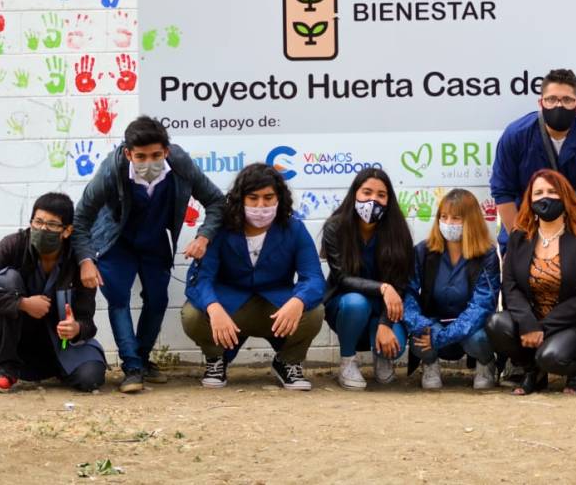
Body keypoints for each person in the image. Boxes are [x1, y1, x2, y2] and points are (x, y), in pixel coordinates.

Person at [72, 116, 225, 393]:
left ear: (166, 151)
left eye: (156, 155)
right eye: (140, 156)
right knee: (118, 300)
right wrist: (86, 260)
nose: (148, 163)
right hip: (116, 242)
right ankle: (132, 368)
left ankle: (141, 359)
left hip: (154, 240)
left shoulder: (181, 164)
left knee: (158, 299)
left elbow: (216, 201)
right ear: (128, 153)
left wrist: (204, 237)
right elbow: (81, 217)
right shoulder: (111, 170)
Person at [181, 163, 326, 390]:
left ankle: (288, 362)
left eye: (269, 198)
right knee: (192, 314)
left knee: (314, 311)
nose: (261, 205)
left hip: (276, 307)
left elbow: (314, 278)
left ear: (279, 198)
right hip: (231, 307)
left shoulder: (294, 229)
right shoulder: (220, 229)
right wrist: (213, 307)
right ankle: (216, 359)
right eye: (253, 198)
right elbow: (200, 279)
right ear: (241, 199)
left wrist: (298, 301)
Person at [0, 193, 106, 393]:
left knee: (91, 379)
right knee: (5, 280)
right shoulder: (13, 245)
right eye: (38, 222)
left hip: (60, 345)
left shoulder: (79, 262)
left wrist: (76, 328)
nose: (43, 229)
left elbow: (88, 323)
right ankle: (5, 371)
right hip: (20, 339)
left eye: (52, 224)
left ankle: (61, 370)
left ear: (67, 231)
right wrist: (22, 303)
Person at [485, 169, 576, 395]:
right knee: (496, 323)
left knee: (550, 357)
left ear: (565, 197)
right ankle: (533, 372)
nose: (545, 197)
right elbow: (510, 287)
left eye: (552, 191)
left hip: (575, 324)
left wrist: (542, 327)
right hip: (531, 321)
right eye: (538, 192)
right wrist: (528, 323)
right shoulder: (519, 238)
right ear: (529, 200)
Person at [491, 68, 576, 244]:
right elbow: (503, 192)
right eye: (551, 99)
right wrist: (519, 241)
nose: (559, 105)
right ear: (540, 103)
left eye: (567, 100)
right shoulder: (516, 135)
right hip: (525, 225)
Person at [322, 168, 413, 390]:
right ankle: (347, 361)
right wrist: (383, 287)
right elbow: (342, 278)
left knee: (397, 346)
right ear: (355, 194)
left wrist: (384, 323)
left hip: (385, 309)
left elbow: (400, 285)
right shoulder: (335, 227)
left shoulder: (398, 231)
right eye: (367, 192)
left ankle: (381, 354)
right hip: (346, 306)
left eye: (381, 195)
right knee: (356, 302)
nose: (373, 200)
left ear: (389, 199)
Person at [404, 189, 500, 390]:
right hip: (434, 325)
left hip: (469, 330)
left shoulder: (487, 255)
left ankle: (485, 364)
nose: (448, 223)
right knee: (420, 336)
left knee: (479, 338)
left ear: (471, 221)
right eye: (444, 217)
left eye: (456, 218)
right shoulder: (422, 251)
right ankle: (429, 364)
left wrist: (443, 337)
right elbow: (408, 294)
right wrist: (422, 325)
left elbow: (482, 305)